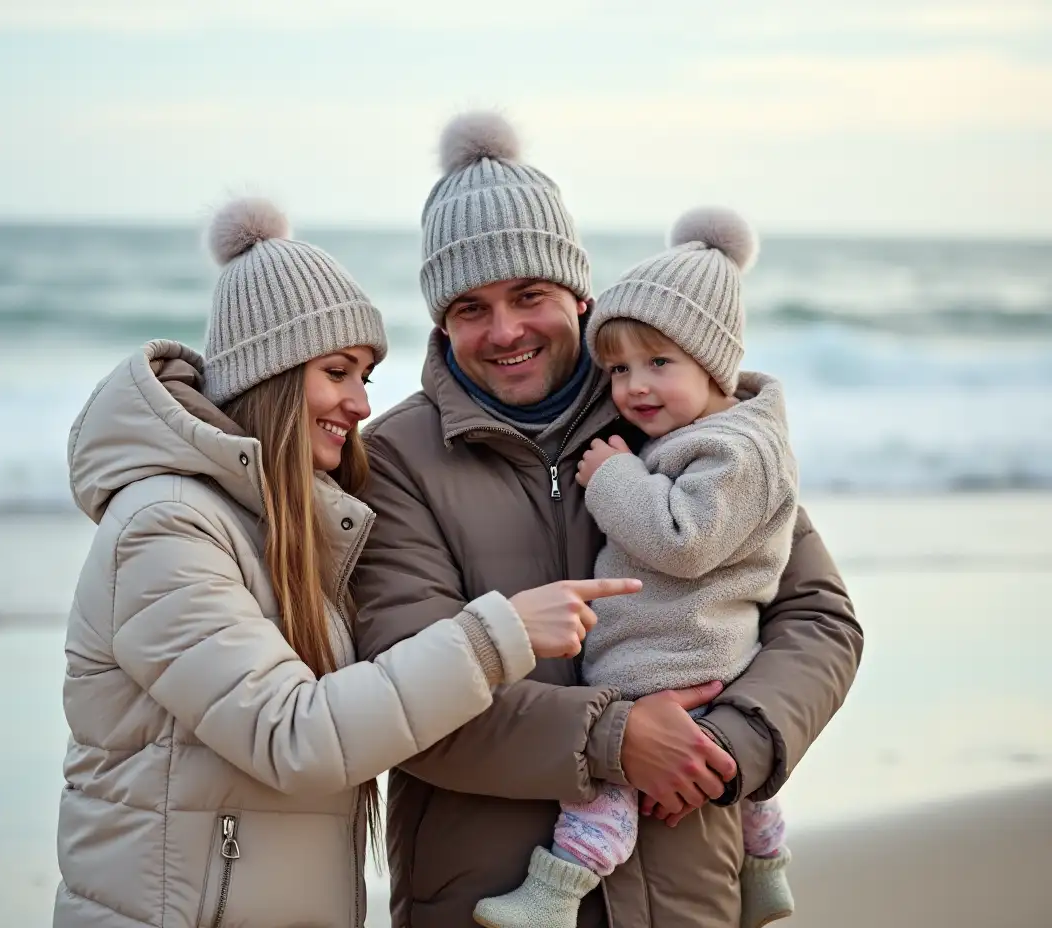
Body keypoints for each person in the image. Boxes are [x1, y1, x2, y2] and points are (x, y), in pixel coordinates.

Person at [52, 196, 637, 928]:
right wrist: (498, 635)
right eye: (338, 372)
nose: (361, 403)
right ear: (272, 372)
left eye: (364, 374)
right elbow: (295, 737)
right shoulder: (166, 527)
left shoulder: (288, 533)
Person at [353, 112, 863, 928]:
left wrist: (731, 744)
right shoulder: (395, 462)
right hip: (481, 897)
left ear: (579, 297)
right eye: (470, 308)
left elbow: (818, 617)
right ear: (441, 324)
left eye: (530, 296)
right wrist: (611, 739)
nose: (505, 330)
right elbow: (402, 688)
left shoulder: (678, 421)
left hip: (686, 883)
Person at [474, 207, 799, 928]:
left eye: (659, 364)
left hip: (667, 657)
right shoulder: (706, 434)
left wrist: (614, 477)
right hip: (699, 649)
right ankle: (768, 868)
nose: (633, 388)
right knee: (739, 789)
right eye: (618, 369)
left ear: (714, 364)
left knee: (602, 796)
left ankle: (555, 895)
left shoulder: (728, 451)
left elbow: (685, 540)